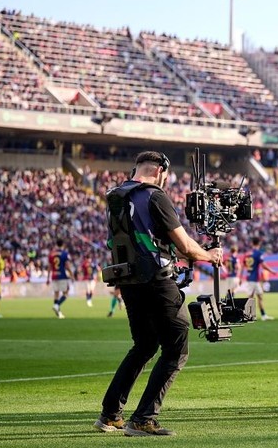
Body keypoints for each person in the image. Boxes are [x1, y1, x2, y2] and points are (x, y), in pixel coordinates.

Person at [94, 151, 223, 436]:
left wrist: (195, 252)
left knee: (144, 345)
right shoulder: (155, 195)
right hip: (156, 280)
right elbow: (186, 247)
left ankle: (110, 414)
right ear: (159, 171)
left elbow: (148, 241)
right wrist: (209, 255)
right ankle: (143, 419)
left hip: (128, 279)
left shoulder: (117, 195)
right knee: (176, 347)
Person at [245, 237, 275, 321]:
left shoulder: (248, 253)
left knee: (257, 296)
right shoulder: (258, 253)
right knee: (252, 297)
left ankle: (262, 315)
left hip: (251, 277)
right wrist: (272, 271)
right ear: (259, 243)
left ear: (252, 243)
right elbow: (263, 265)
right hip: (254, 279)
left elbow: (245, 265)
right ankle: (248, 315)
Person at [47, 239, 73, 319]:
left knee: (56, 293)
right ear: (63, 244)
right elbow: (67, 265)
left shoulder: (51, 254)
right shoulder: (64, 253)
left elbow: (49, 267)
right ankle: (57, 305)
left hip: (54, 276)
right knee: (66, 293)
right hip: (62, 275)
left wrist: (48, 278)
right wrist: (72, 275)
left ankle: (58, 312)